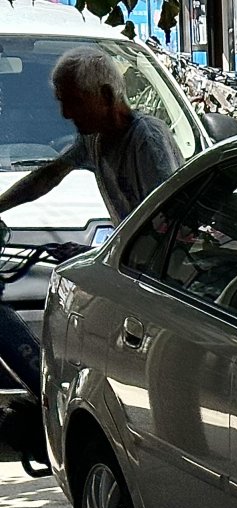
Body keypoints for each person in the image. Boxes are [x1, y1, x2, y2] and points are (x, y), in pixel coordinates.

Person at [0, 45, 182, 461]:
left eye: (73, 103)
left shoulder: (145, 139)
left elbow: (166, 222)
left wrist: (103, 250)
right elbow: (49, 175)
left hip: (160, 276)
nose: (67, 115)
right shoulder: (95, 139)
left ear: (104, 95)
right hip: (130, 265)